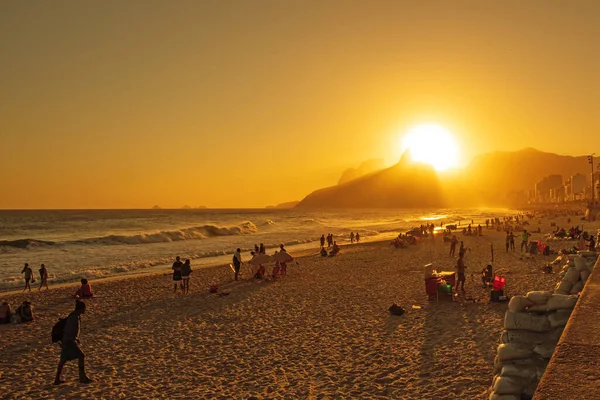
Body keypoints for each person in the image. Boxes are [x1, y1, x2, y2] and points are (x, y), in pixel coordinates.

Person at [54, 300, 92, 385]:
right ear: (81, 308)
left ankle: (57, 379)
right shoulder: (74, 318)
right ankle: (82, 377)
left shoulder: (74, 316)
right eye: (84, 308)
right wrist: (70, 340)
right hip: (69, 342)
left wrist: (75, 338)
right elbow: (69, 330)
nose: (85, 310)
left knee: (62, 360)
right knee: (81, 356)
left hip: (66, 341)